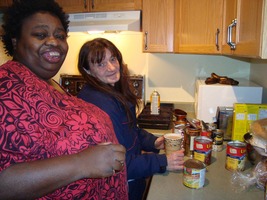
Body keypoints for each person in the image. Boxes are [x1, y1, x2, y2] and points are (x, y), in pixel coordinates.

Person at [0, 1, 128, 199]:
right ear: (15, 41)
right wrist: (81, 163)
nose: (53, 42)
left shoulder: (48, 83)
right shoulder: (6, 86)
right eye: (40, 35)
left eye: (60, 36)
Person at [77, 38, 185, 200]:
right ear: (88, 71)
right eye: (101, 64)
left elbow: (129, 129)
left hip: (131, 177)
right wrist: (163, 161)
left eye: (112, 59)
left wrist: (153, 142)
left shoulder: (110, 90)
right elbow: (117, 162)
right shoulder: (101, 105)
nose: (112, 67)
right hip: (120, 184)